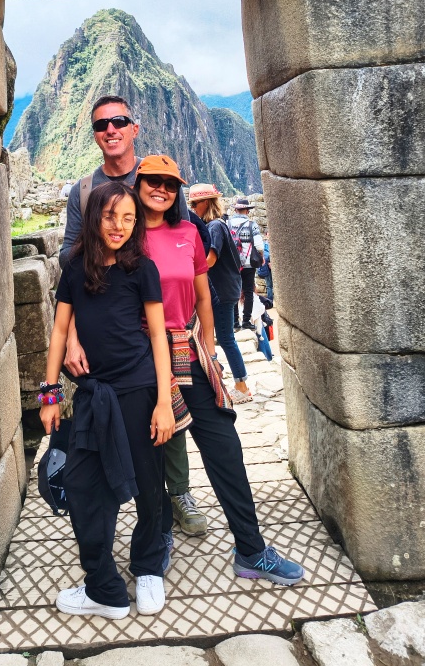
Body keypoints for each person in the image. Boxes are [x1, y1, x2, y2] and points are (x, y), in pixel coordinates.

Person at [134, 155, 305, 586]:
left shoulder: (188, 232)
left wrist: (208, 344)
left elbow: (203, 294)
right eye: (151, 181)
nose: (161, 189)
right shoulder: (124, 234)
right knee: (150, 452)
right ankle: (155, 543)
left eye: (169, 183)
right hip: (139, 355)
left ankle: (250, 548)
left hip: (187, 351)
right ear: (137, 185)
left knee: (224, 445)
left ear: (178, 191)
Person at [60, 93, 207, 538]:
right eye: (102, 124)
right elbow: (70, 261)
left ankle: (176, 492)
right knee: (109, 412)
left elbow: (184, 236)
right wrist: (70, 337)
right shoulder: (85, 192)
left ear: (134, 128)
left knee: (169, 405)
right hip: (113, 326)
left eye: (119, 121)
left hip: (161, 318)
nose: (111, 130)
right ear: (95, 134)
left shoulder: (155, 177)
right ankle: (121, 499)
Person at [40, 181, 175, 619]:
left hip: (138, 391)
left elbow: (158, 335)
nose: (119, 226)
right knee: (82, 485)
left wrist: (163, 402)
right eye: (110, 216)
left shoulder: (142, 269)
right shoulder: (77, 270)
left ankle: (149, 566)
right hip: (95, 395)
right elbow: (60, 332)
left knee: (149, 484)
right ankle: (103, 588)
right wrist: (50, 395)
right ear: (95, 217)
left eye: (128, 218)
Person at [188, 183, 252, 404]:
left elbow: (210, 260)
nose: (194, 208)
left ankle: (242, 386)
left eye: (195, 204)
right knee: (222, 337)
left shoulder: (214, 227)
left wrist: (189, 272)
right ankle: (227, 378)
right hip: (228, 287)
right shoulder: (220, 223)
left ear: (206, 203)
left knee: (226, 338)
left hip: (222, 290)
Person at [228, 197, 264, 331]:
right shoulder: (251, 224)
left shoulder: (229, 223)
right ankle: (246, 321)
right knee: (248, 291)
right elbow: (259, 245)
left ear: (236, 209)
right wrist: (261, 256)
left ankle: (234, 322)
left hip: (233, 263)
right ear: (247, 211)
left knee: (235, 291)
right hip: (248, 263)